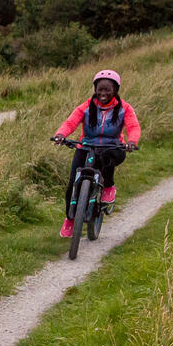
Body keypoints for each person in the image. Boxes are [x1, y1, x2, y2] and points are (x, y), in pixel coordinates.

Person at [53, 69, 141, 238]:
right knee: (72, 183)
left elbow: (133, 126)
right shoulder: (86, 106)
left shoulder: (125, 108)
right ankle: (70, 219)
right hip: (86, 147)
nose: (103, 93)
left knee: (107, 157)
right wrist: (61, 135)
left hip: (113, 148)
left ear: (115, 90)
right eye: (100, 89)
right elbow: (70, 122)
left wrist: (132, 141)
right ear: (95, 89)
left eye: (107, 89)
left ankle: (108, 186)